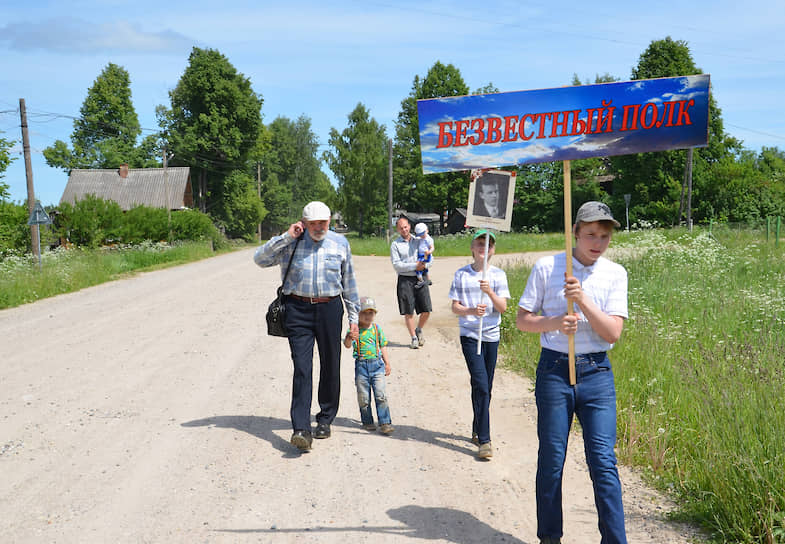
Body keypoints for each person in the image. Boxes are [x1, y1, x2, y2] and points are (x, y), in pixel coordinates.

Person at [516, 201, 628, 544]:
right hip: (554, 372)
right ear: (575, 232)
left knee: (603, 462)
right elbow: (523, 320)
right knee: (551, 460)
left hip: (596, 375)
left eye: (605, 236)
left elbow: (612, 333)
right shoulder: (547, 267)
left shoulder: (615, 273)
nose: (598, 242)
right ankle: (550, 538)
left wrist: (582, 300)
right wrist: (553, 322)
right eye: (591, 234)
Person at [254, 201, 360, 452]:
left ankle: (325, 419)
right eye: (313, 223)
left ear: (329, 221)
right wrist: (286, 236)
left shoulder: (339, 243)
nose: (318, 227)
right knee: (302, 367)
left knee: (330, 364)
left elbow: (350, 282)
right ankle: (301, 428)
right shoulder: (292, 241)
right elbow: (260, 259)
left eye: (323, 222)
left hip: (330, 308)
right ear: (303, 222)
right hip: (297, 309)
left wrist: (354, 319)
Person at [448, 230, 510, 459]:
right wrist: (471, 311)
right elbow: (455, 307)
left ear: (493, 250)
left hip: (491, 335)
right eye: (480, 244)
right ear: (472, 248)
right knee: (481, 384)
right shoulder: (461, 274)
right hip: (470, 335)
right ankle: (485, 440)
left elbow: (502, 307)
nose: (484, 248)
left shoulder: (498, 275)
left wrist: (490, 292)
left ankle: (477, 426)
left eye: (489, 245)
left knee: (484, 387)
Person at [343, 296, 394, 435]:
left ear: (374, 314)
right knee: (363, 397)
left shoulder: (377, 329)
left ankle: (385, 422)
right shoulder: (355, 330)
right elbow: (347, 346)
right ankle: (367, 421)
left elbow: (382, 346)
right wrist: (349, 337)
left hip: (377, 365)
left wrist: (387, 363)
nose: (367, 316)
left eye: (370, 313)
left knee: (381, 394)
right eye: (364, 313)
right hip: (361, 366)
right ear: (358, 315)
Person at [390, 217, 432, 350]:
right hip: (405, 280)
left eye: (406, 227)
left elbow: (431, 257)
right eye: (401, 228)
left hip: (421, 277)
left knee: (426, 309)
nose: (404, 230)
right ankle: (413, 337)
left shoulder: (420, 240)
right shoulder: (395, 245)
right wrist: (415, 266)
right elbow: (397, 265)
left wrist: (425, 265)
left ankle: (419, 329)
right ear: (398, 229)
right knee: (408, 311)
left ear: (409, 226)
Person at [413, 222, 434, 288]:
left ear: (427, 231)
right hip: (420, 254)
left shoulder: (428, 239)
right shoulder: (420, 238)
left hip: (425, 254)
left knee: (418, 267)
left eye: (422, 234)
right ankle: (428, 279)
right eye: (420, 235)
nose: (421, 236)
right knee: (424, 268)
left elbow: (432, 247)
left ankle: (421, 280)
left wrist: (429, 252)